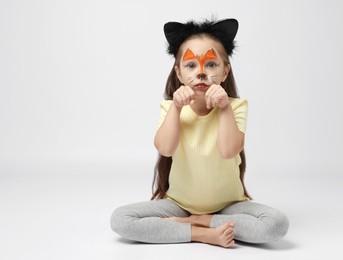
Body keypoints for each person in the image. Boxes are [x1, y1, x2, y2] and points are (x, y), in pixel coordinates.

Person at [111, 18, 289, 248]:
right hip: (179, 205)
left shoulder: (236, 106)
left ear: (225, 71)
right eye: (191, 65)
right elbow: (165, 148)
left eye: (211, 65)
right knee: (121, 219)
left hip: (229, 205)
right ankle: (202, 233)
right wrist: (175, 108)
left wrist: (224, 108)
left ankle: (199, 221)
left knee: (276, 224)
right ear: (179, 73)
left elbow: (228, 151)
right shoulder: (170, 108)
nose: (201, 73)